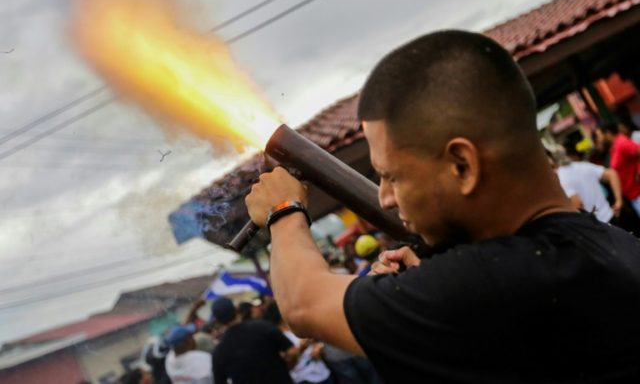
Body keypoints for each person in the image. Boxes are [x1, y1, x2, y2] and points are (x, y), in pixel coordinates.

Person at [245, 30, 640, 382]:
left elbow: (304, 303)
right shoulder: (614, 246)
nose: (384, 197)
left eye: (392, 176)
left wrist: (283, 209)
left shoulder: (488, 287)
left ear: (461, 165)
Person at [211, 296, 295, 384]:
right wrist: (284, 369)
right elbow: (293, 352)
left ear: (217, 320)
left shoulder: (219, 352)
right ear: (236, 309)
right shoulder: (263, 327)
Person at [553, 138, 623, 224]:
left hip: (598, 226)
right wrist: (618, 201)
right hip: (610, 216)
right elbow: (612, 174)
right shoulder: (583, 165)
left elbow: (578, 204)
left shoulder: (562, 178)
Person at [599, 121, 640, 215]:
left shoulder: (621, 142)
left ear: (608, 133)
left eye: (600, 134)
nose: (600, 139)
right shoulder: (615, 146)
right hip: (633, 195)